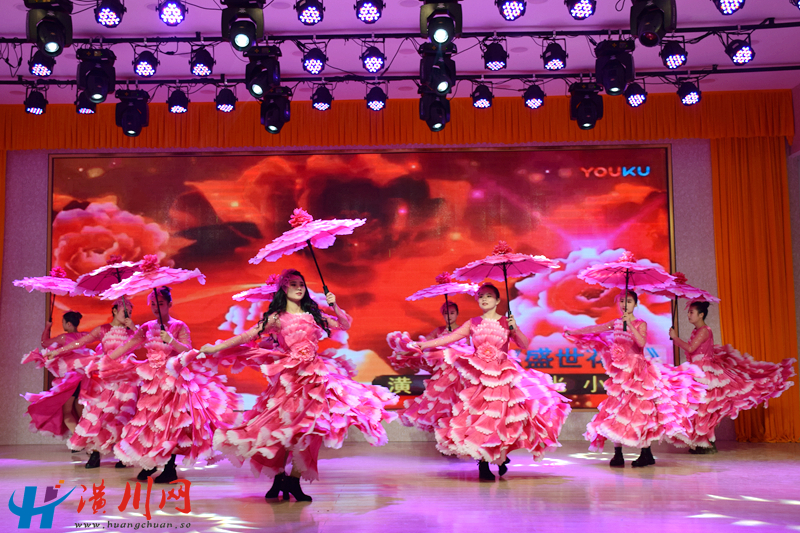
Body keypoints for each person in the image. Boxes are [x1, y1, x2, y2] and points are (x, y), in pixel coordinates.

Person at [206, 269, 397, 502]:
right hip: (289, 381)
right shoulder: (276, 318)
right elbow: (247, 336)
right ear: (284, 288)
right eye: (293, 284)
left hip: (315, 377)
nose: (299, 288)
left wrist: (334, 305)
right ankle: (278, 478)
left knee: (312, 429)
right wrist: (216, 348)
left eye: (302, 284)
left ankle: (294, 481)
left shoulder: (313, 315)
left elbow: (344, 325)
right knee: (281, 428)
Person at [401, 283, 571, 481]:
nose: (484, 299)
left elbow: (524, 344)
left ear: (497, 300)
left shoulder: (506, 322)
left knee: (503, 419)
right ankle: (483, 464)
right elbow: (449, 338)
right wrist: (423, 345)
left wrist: (515, 329)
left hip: (502, 377)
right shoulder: (473, 323)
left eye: (489, 296)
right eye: (481, 296)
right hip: (480, 379)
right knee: (481, 419)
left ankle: (499, 455)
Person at [108, 287, 241, 483]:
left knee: (169, 424)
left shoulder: (179, 326)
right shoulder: (147, 327)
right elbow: (128, 345)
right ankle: (152, 462)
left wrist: (170, 340)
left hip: (173, 381)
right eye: (153, 304)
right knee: (149, 422)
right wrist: (107, 359)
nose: (156, 307)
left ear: (169, 304)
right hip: (152, 382)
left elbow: (187, 350)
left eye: (160, 303)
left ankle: (169, 467)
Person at [565, 290, 705, 468]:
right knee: (616, 411)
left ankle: (646, 453)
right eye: (622, 301)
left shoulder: (640, 323)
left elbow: (641, 343)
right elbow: (594, 329)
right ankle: (618, 454)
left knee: (640, 412)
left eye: (629, 301)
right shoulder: (616, 323)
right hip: (620, 374)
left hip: (638, 373)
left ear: (635, 304)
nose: (625, 304)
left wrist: (630, 325)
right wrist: (574, 332)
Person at [669, 301, 796, 453]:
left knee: (705, 408)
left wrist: (675, 338)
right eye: (688, 312)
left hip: (705, 373)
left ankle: (706, 443)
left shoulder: (704, 331)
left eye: (691, 312)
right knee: (698, 407)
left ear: (701, 315)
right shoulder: (696, 331)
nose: (689, 315)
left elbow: (691, 348)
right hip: (697, 371)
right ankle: (701, 442)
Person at [44, 299, 139, 469]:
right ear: (114, 311)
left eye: (130, 312)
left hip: (126, 379)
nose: (128, 315)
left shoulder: (132, 331)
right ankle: (95, 453)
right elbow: (80, 342)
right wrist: (57, 351)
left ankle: (122, 455)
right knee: (99, 414)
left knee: (123, 415)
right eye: (125, 311)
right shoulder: (103, 329)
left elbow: (143, 340)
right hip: (106, 378)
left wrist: (133, 328)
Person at [22, 311, 93, 439]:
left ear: (69, 324)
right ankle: (87, 439)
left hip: (71, 379)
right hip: (84, 378)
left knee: (67, 412)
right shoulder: (85, 335)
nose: (63, 325)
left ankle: (79, 440)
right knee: (80, 412)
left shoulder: (64, 338)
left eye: (63, 323)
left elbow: (44, 343)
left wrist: (48, 327)